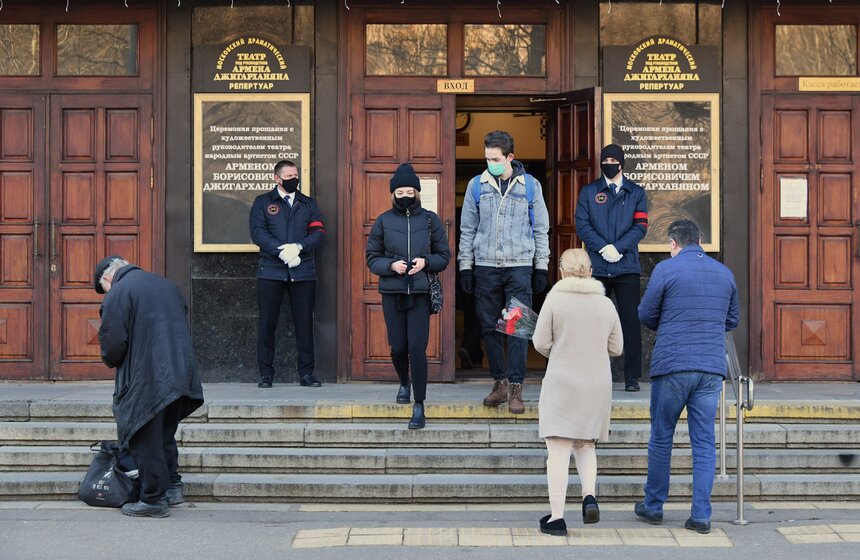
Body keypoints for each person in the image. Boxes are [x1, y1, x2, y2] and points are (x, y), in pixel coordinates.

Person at [633, 219, 739, 534]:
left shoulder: (667, 270)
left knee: (662, 435)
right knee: (704, 442)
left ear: (673, 244)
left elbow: (644, 313)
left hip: (673, 365)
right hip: (710, 368)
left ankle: (653, 506)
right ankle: (701, 515)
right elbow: (732, 319)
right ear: (700, 241)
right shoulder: (724, 273)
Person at [95, 256, 204, 518]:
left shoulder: (119, 292)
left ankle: (153, 499)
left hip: (147, 376)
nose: (106, 293)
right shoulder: (165, 284)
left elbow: (113, 345)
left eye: (104, 288)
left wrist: (112, 359)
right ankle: (172, 487)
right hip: (179, 373)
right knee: (165, 434)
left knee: (144, 437)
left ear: (108, 279)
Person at [532, 248, 623, 536]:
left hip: (562, 380)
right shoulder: (605, 304)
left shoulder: (555, 299)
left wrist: (558, 349)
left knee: (558, 451)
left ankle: (557, 518)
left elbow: (540, 341)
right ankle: (589, 496)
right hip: (596, 383)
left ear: (561, 271)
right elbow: (617, 348)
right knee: (586, 445)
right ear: (590, 271)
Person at [459, 130, 550, 414]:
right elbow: (467, 229)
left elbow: (540, 229)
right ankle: (499, 383)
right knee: (489, 328)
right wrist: (466, 266)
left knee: (518, 329)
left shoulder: (531, 186)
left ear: (510, 156)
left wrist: (541, 266)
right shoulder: (477, 185)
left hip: (519, 265)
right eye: (487, 158)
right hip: (486, 265)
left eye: (496, 158)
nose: (491, 163)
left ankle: (516, 389)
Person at [366, 163, 450, 429]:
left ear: (417, 192)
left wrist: (426, 262)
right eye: (400, 191)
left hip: (420, 293)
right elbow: (371, 257)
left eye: (409, 190)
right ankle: (404, 381)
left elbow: (443, 256)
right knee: (398, 347)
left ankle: (419, 405)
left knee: (416, 347)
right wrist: (390, 266)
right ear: (393, 193)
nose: (405, 195)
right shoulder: (383, 220)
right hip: (392, 292)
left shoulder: (430, 219)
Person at [575, 143, 648, 392]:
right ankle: (594, 375)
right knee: (594, 324)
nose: (608, 164)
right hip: (597, 268)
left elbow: (640, 227)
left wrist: (619, 248)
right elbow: (582, 225)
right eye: (604, 160)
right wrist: (602, 247)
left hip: (626, 268)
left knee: (630, 323)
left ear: (621, 163)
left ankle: (631, 378)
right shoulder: (589, 192)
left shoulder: (636, 192)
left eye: (612, 160)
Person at [249, 160, 327, 388]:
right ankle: (265, 374)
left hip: (302, 272)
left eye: (296, 174)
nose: (294, 178)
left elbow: (319, 233)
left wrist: (299, 247)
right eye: (289, 175)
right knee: (267, 324)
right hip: (271, 271)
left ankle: (306, 374)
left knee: (304, 324)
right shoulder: (262, 203)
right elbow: (258, 233)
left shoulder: (307, 204)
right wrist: (281, 251)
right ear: (277, 178)